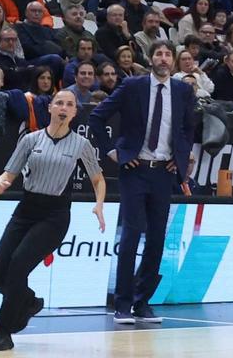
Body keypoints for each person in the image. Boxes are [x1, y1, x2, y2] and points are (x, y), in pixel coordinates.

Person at [0, 90, 107, 351]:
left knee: (18, 266)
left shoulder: (81, 144)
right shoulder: (31, 139)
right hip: (26, 209)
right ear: (50, 108)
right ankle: (28, 301)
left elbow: (97, 178)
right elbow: (11, 171)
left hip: (55, 214)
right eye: (59, 103)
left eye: (70, 104)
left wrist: (99, 205)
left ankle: (3, 332)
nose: (64, 107)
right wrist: (2, 182)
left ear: (75, 112)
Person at [90, 42, 197, 325]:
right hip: (135, 170)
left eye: (168, 54)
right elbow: (96, 117)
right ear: (150, 59)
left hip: (163, 172)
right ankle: (122, 304)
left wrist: (181, 156)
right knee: (131, 234)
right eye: (159, 54)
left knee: (157, 239)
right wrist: (114, 152)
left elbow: (189, 128)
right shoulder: (133, 86)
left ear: (173, 61)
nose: (163, 59)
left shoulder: (184, 90)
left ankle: (143, 302)